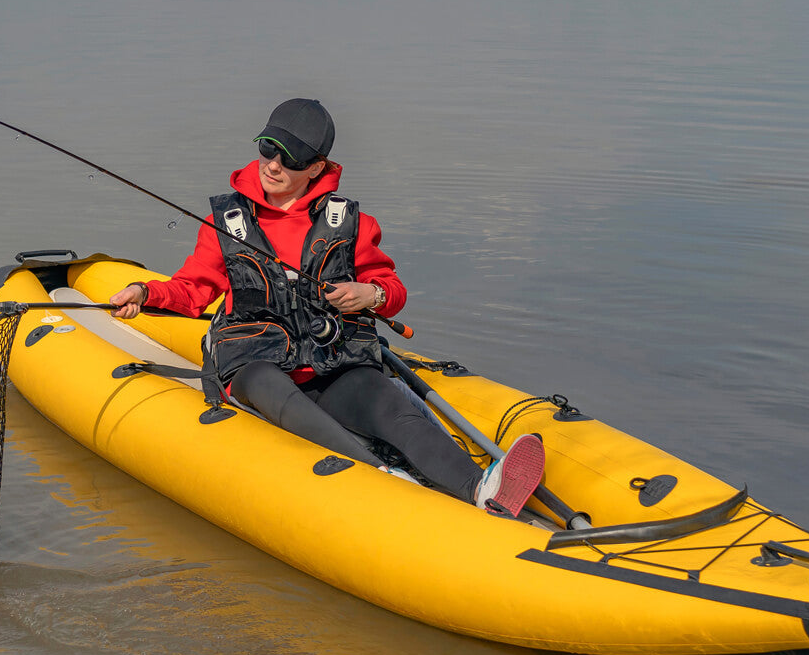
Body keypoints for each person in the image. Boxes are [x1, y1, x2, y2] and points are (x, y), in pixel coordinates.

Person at [109, 99, 543, 516]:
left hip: (331, 366)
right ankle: (384, 478)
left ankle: (480, 488)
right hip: (254, 366)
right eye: (268, 148)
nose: (273, 165)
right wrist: (144, 293)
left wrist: (370, 295)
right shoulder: (226, 222)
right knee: (263, 380)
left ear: (316, 167)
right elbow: (192, 289)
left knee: (381, 396)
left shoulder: (352, 224)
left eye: (290, 158)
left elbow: (392, 290)